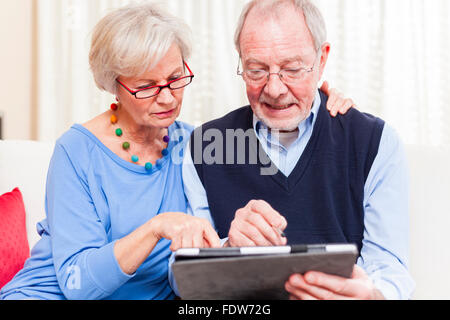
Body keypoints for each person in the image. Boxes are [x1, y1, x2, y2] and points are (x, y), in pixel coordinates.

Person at [0, 2, 351, 300]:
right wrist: (156, 228)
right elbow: (78, 286)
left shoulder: (197, 144)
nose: (167, 97)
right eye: (146, 86)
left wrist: (320, 101)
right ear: (114, 85)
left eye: (175, 78)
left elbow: (282, 140)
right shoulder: (76, 152)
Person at [180, 0, 415, 300]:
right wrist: (226, 250)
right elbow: (183, 277)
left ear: (322, 60)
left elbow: (389, 266)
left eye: (292, 69)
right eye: (256, 70)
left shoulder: (375, 143)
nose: (275, 89)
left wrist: (372, 296)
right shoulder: (203, 147)